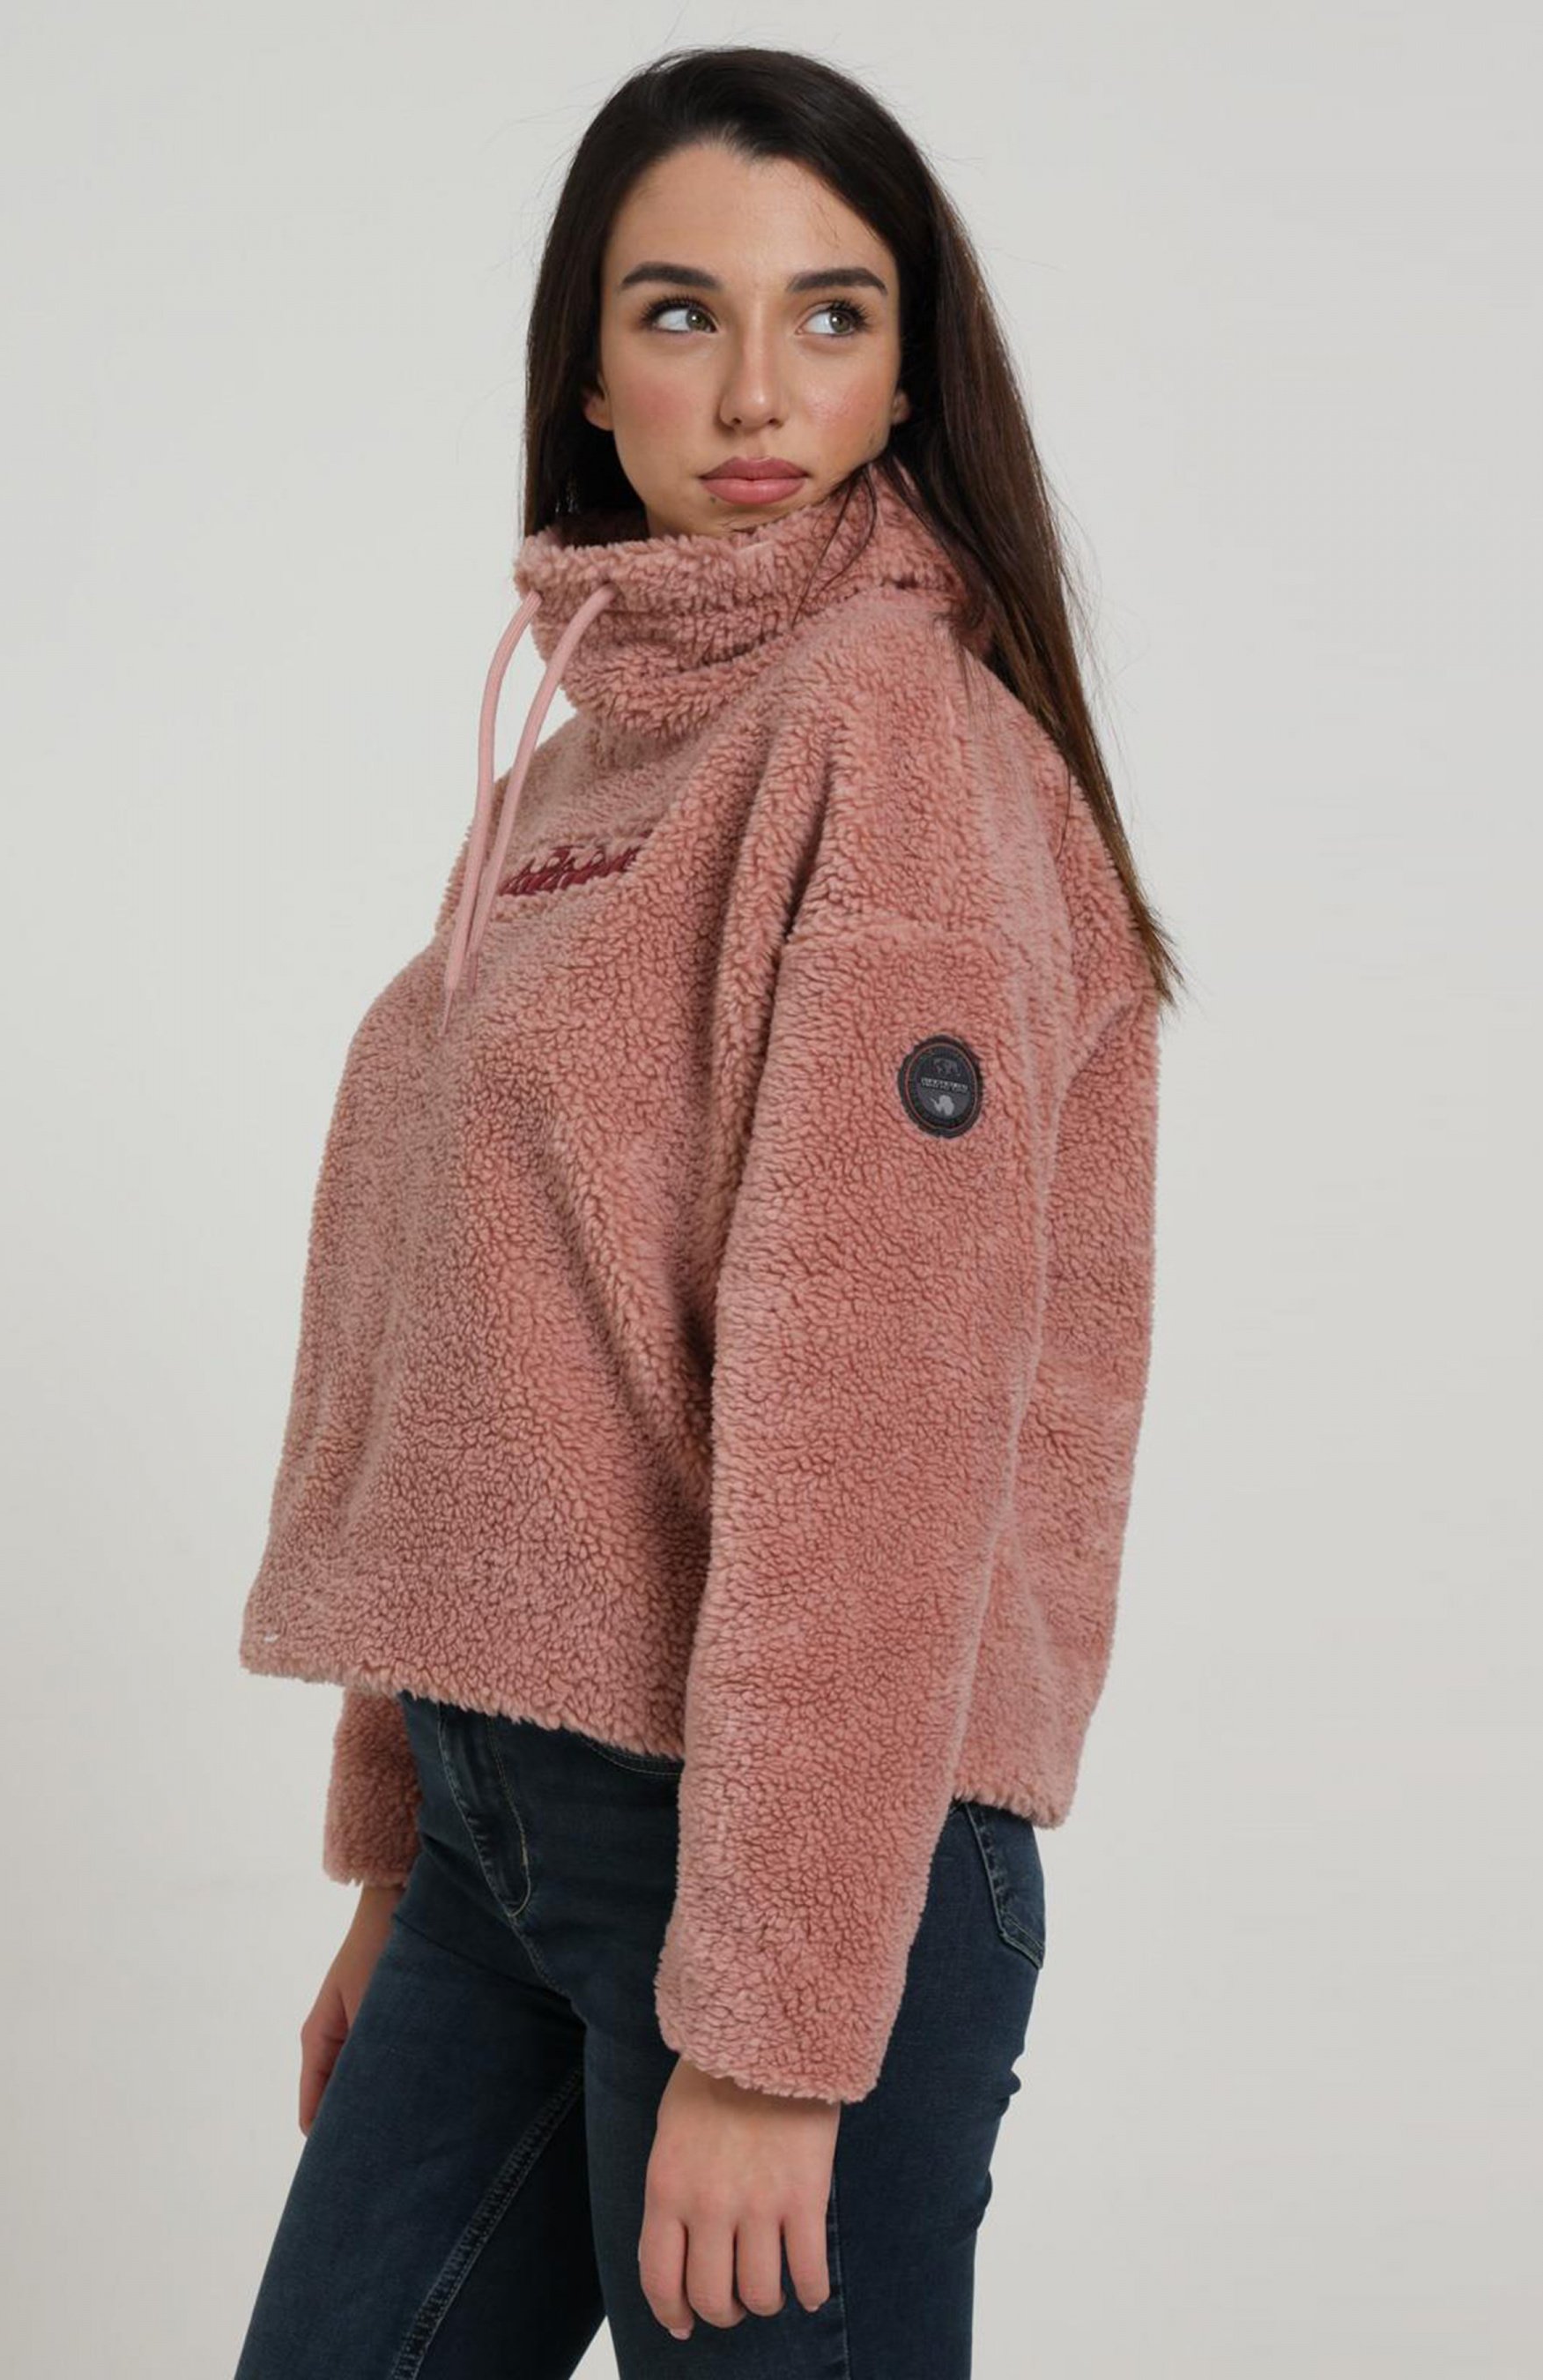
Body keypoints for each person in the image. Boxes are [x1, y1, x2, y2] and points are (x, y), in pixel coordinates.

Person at [232, 43, 1178, 2380]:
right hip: (507, 1843)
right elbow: (478, 1337)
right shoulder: (585, 757)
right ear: (587, 362)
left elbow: (882, 1412)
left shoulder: (891, 738)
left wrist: (773, 2025)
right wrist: (401, 1854)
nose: (756, 387)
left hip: (786, 1864)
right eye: (680, 312)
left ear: (908, 363)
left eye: (830, 314)